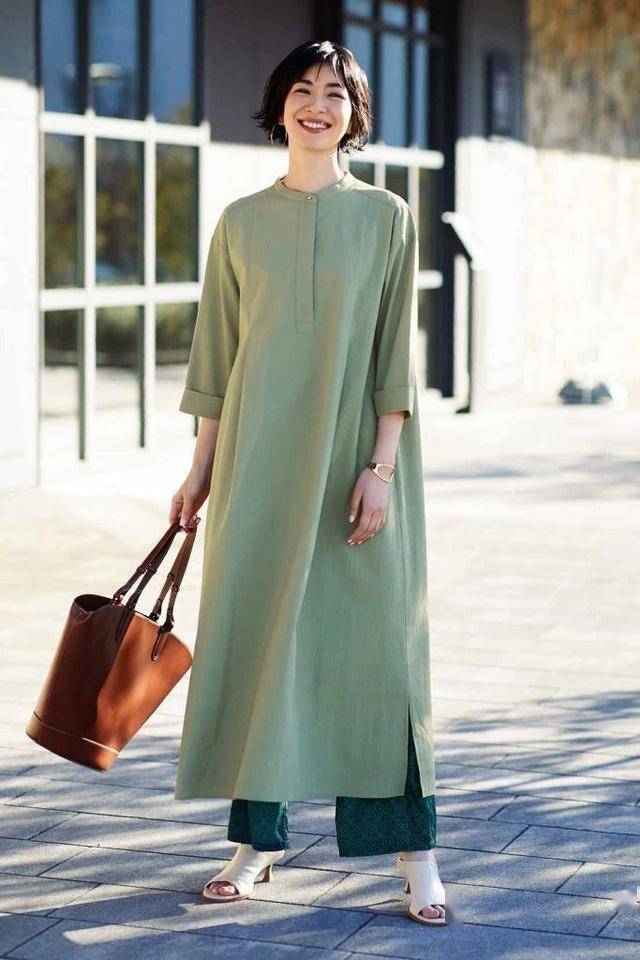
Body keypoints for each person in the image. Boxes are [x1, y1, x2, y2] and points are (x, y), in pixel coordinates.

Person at [169, 40, 446, 927]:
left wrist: (381, 467)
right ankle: (257, 844)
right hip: (256, 466)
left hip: (358, 464)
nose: (316, 105)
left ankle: (416, 854)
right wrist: (200, 470)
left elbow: (394, 356)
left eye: (335, 93)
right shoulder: (240, 221)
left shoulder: (387, 217)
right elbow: (217, 357)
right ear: (279, 105)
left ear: (354, 114)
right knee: (261, 644)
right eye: (302, 89)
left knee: (379, 658)